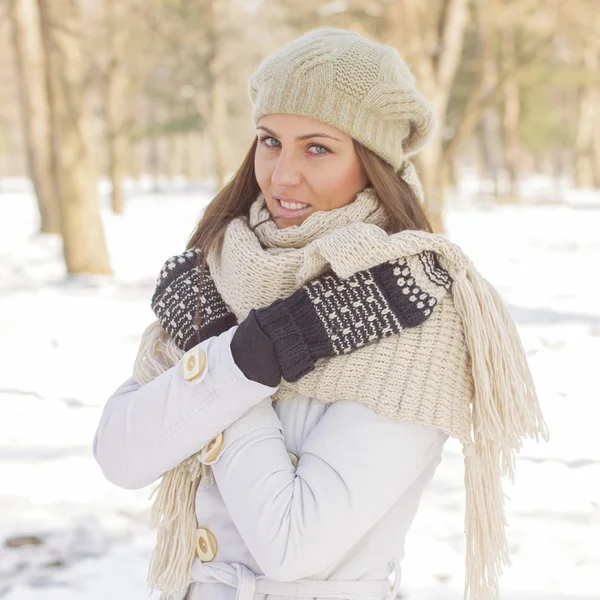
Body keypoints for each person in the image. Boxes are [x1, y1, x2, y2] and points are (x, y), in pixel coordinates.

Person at [93, 27, 547, 600]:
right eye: (268, 140)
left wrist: (233, 359)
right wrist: (234, 346)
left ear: (372, 161)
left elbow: (291, 544)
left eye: (318, 148)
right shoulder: (219, 277)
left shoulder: (412, 306)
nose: (282, 175)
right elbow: (120, 455)